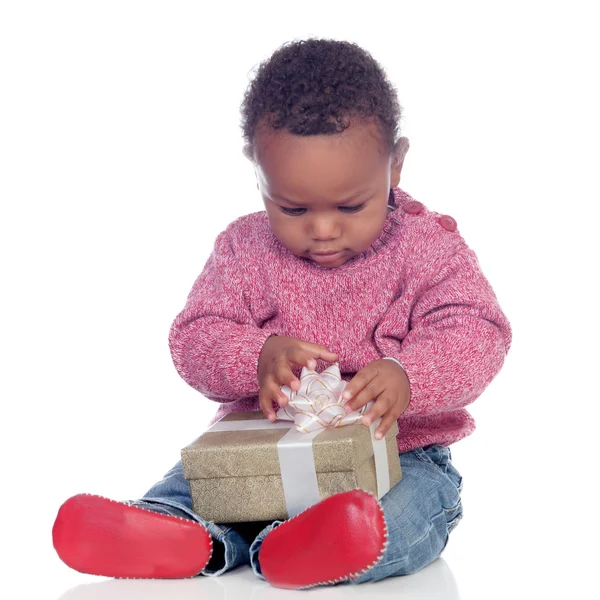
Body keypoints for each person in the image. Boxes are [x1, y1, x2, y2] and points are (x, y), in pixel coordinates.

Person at [52, 38, 512, 589]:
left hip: (397, 455)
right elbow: (195, 337)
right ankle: (172, 530)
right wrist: (256, 357)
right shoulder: (244, 249)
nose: (322, 229)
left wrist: (407, 376)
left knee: (407, 509)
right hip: (257, 451)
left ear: (395, 165)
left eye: (350, 205)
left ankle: (314, 545)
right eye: (293, 208)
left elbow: (476, 330)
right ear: (258, 173)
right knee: (201, 487)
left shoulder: (426, 248)